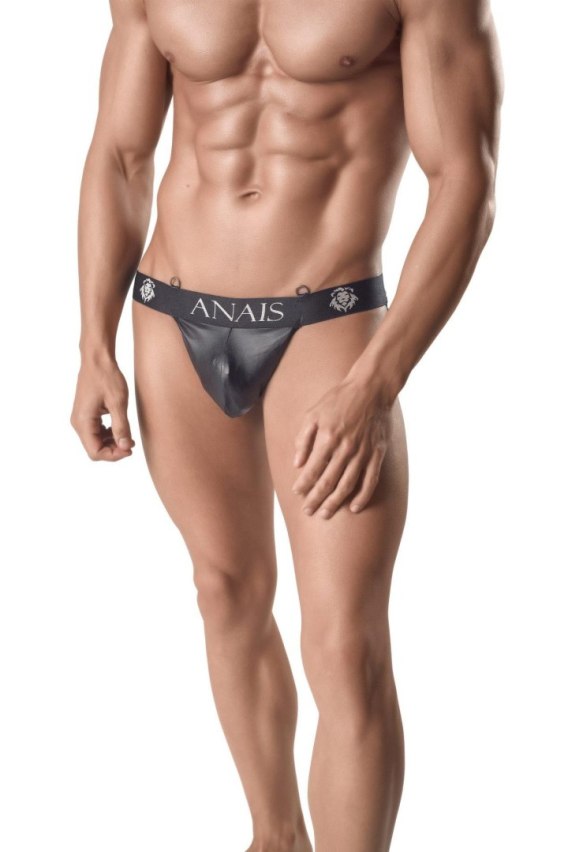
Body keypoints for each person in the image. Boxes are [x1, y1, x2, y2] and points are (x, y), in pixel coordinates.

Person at [70, 0, 502, 848]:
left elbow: (465, 180)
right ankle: (275, 836)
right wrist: (93, 339)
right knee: (224, 591)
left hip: (327, 327)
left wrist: (377, 379)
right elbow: (121, 153)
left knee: (344, 645)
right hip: (171, 313)